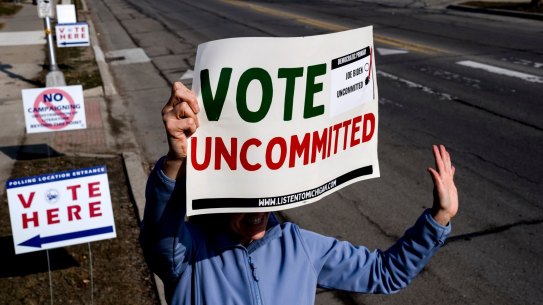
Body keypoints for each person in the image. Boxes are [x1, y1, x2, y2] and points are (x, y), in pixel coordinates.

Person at [140, 82, 459, 305]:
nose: (256, 209)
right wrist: (176, 160)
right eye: (243, 195)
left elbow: (383, 273)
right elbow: (159, 232)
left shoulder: (299, 246)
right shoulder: (188, 253)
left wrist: (438, 219)